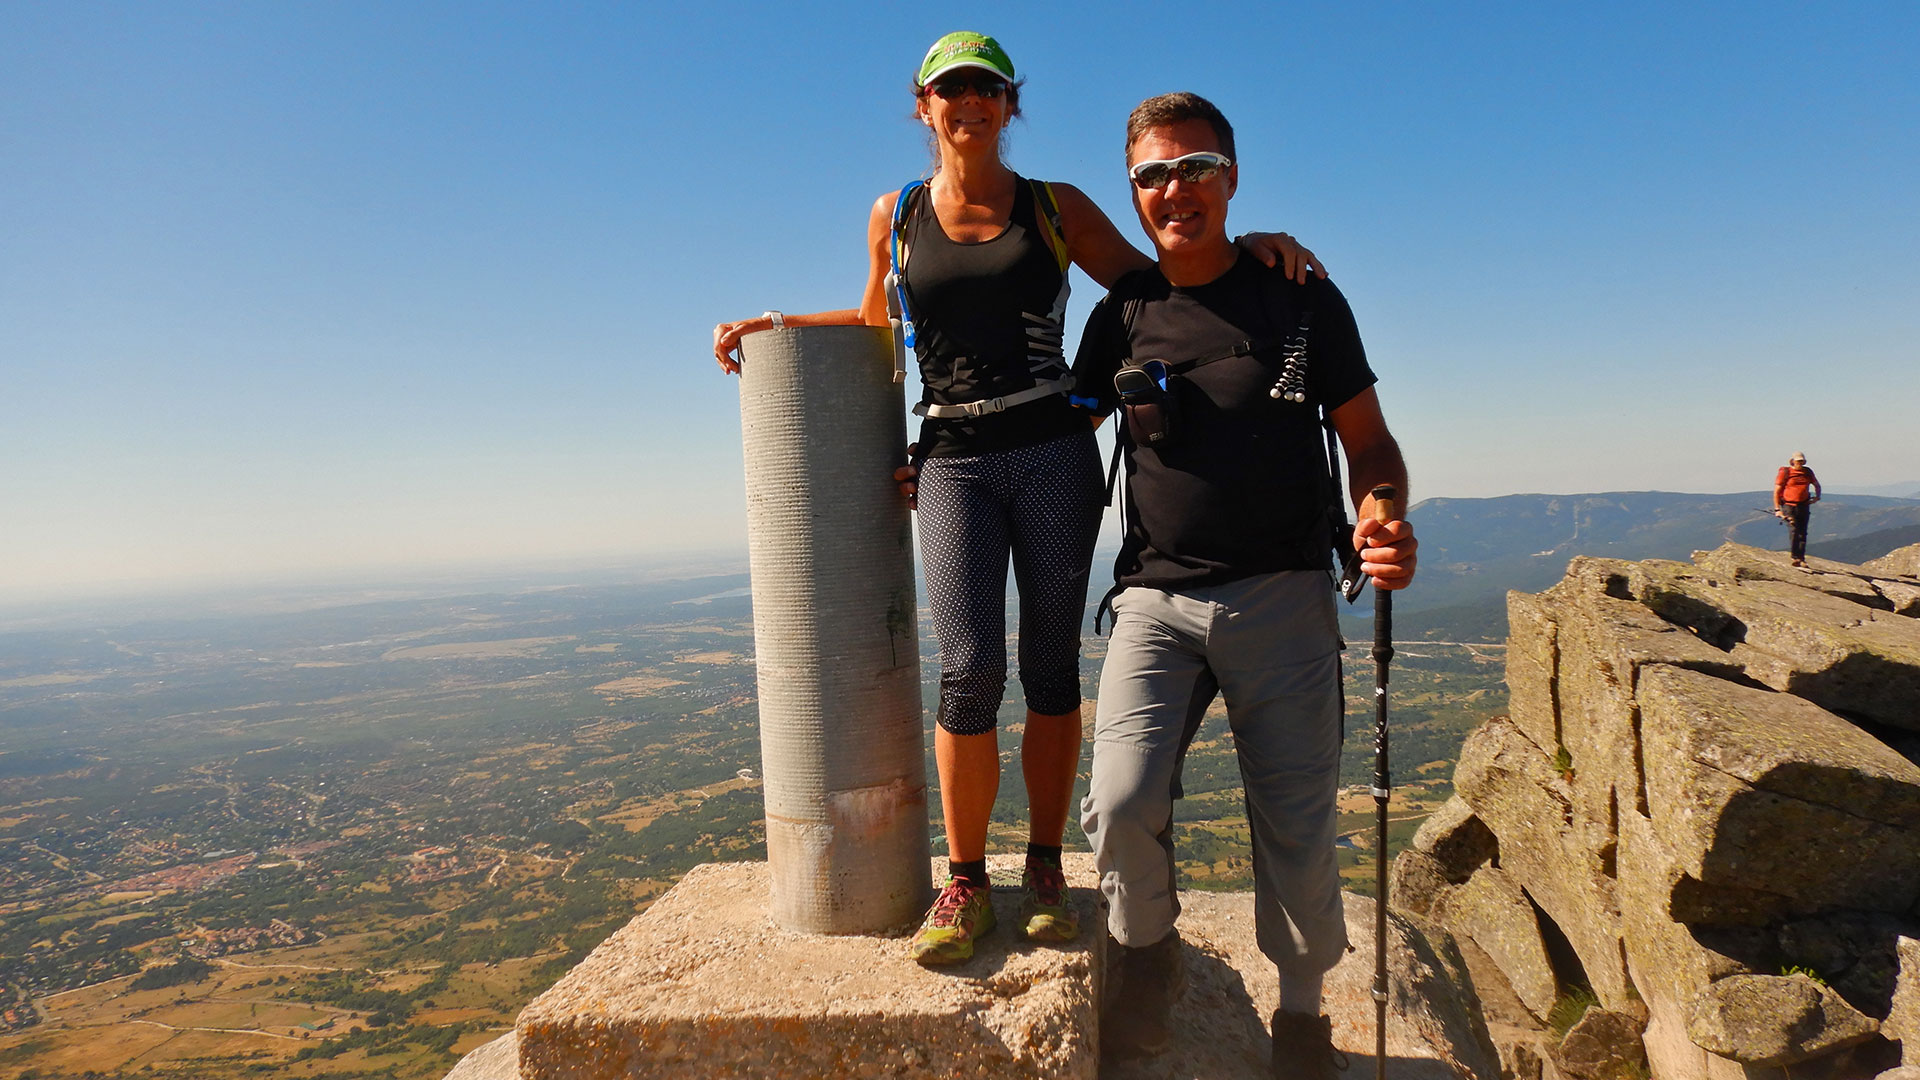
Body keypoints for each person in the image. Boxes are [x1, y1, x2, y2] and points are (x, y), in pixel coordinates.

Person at [711, 34, 1328, 966]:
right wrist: (783, 321)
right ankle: (964, 878)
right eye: (950, 90)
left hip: (1050, 451)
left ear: (1010, 105)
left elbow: (1154, 277)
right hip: (953, 459)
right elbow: (880, 320)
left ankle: (1043, 867)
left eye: (986, 89)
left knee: (1048, 665)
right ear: (924, 107)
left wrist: (1255, 246)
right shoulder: (898, 213)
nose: (969, 103)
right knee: (967, 671)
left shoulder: (1054, 208)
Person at [1071, 93, 1417, 1076]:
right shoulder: (1123, 313)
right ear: (1132, 190)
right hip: (1155, 597)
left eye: (1195, 166)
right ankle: (1147, 953)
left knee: (1298, 823)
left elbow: (1370, 444)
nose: (1174, 189)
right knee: (1122, 801)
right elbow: (1063, 430)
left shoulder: (1300, 298)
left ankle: (1303, 1013)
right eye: (1152, 173)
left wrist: (1381, 511)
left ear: (1231, 175)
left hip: (1284, 592)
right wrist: (938, 460)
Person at [1774, 452, 1822, 567]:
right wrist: (1777, 509)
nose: (1800, 463)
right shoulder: (1785, 472)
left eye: (1802, 461)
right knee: (1794, 530)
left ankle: (1801, 558)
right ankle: (1795, 557)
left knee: (1802, 532)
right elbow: (1777, 491)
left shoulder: (1807, 472)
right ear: (1792, 461)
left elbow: (1817, 485)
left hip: (1803, 505)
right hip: (1789, 506)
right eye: (1798, 461)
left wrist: (1817, 497)